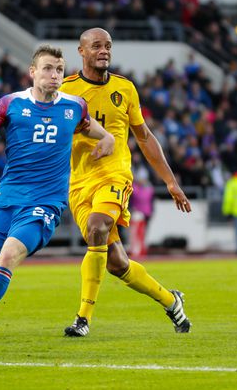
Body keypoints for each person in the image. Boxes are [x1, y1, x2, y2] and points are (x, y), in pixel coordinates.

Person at [0, 45, 114, 338]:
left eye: (59, 69)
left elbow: (93, 129)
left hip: (45, 204)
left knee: (6, 258)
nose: (54, 75)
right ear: (32, 72)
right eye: (47, 68)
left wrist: (107, 138)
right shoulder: (10, 104)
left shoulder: (74, 106)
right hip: (7, 199)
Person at [58, 27, 192, 337]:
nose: (103, 51)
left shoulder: (125, 88)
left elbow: (144, 137)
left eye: (107, 46)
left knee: (96, 226)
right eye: (96, 46)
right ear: (81, 52)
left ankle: (83, 319)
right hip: (79, 183)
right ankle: (171, 301)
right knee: (117, 263)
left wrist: (170, 182)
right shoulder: (65, 91)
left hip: (115, 175)